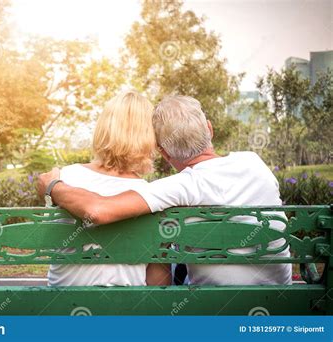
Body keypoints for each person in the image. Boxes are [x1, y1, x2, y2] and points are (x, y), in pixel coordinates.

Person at [38, 94, 292, 286]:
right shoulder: (254, 161)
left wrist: (53, 185)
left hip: (211, 314)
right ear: (210, 130)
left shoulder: (178, 187)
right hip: (282, 304)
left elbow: (97, 210)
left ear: (164, 151)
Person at [47, 90, 169, 287]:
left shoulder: (63, 177)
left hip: (62, 305)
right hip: (125, 311)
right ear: (148, 136)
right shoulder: (148, 194)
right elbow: (157, 279)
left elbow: (50, 237)